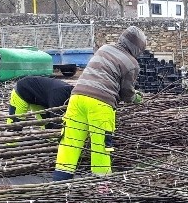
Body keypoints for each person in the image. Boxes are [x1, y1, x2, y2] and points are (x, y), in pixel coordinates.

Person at [53, 26, 146, 181]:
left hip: (77, 98)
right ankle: (101, 190)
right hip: (100, 104)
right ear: (137, 48)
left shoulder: (104, 48)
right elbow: (126, 93)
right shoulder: (132, 63)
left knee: (69, 144)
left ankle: (60, 185)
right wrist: (137, 98)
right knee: (101, 148)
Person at [7, 76, 73, 129]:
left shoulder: (71, 93)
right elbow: (56, 120)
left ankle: (50, 143)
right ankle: (10, 145)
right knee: (15, 125)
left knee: (47, 125)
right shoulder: (59, 94)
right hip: (21, 92)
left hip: (39, 99)